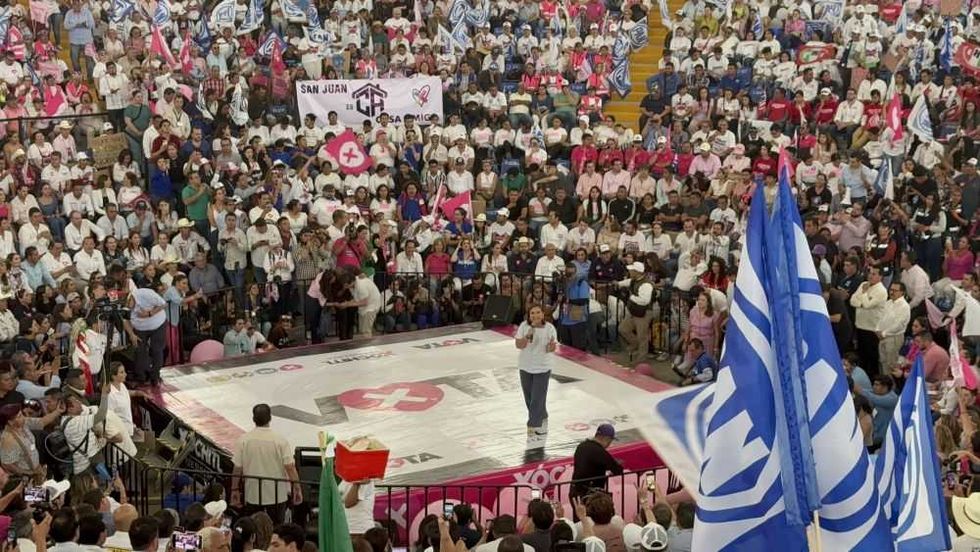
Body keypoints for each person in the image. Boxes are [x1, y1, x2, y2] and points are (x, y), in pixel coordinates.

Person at [231, 404, 302, 522]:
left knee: (254, 527)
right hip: (276, 495)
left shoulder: (244, 440)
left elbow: (237, 467)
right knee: (276, 528)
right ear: (270, 418)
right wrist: (297, 487)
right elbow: (290, 467)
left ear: (253, 419)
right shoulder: (280, 440)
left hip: (253, 494)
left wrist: (234, 489)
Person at [515, 305, 558, 437]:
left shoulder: (550, 328)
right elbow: (519, 345)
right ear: (529, 316)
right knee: (529, 396)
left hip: (542, 367)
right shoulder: (523, 326)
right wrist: (527, 337)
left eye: (538, 312)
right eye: (532, 313)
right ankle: (542, 413)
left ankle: (533, 424)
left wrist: (551, 346)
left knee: (537, 397)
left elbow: (552, 348)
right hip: (525, 366)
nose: (535, 315)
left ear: (543, 314)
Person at [569, 424, 624, 507]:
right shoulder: (600, 452)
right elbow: (617, 470)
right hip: (590, 496)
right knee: (595, 518)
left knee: (580, 518)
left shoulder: (581, 446)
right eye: (610, 441)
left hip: (575, 491)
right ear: (607, 439)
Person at [616, 262, 657, 367]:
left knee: (642, 336)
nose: (629, 271)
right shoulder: (635, 280)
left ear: (637, 272)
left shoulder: (646, 284)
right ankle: (635, 344)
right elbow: (627, 282)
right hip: (634, 311)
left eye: (631, 270)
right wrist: (619, 283)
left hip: (644, 312)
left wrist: (631, 297)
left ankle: (641, 360)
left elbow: (645, 300)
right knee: (623, 328)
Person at [129, 284, 168, 386]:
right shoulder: (126, 307)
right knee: (139, 350)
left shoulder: (145, 293)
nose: (130, 308)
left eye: (129, 304)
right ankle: (140, 377)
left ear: (130, 297)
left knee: (156, 349)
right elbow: (125, 320)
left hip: (157, 323)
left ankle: (155, 376)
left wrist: (150, 313)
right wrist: (131, 334)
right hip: (140, 327)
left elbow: (164, 304)